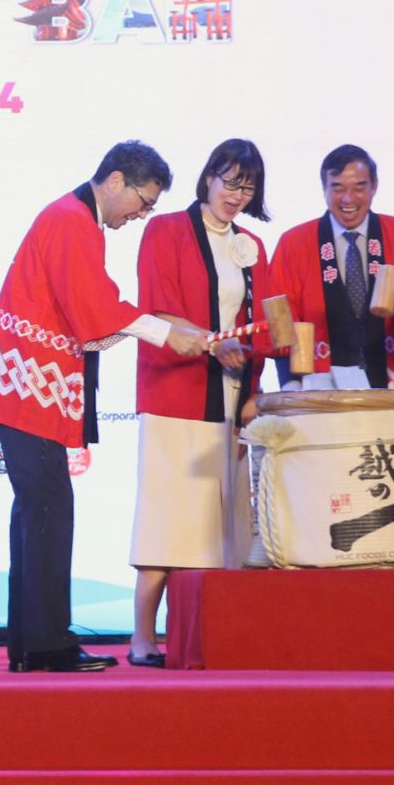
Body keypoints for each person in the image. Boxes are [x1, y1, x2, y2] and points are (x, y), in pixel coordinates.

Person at [0, 140, 205, 674]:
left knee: (37, 513)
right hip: (29, 385)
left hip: (28, 385)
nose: (142, 214)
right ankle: (47, 644)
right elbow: (95, 310)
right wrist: (167, 333)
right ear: (115, 180)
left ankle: (32, 642)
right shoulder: (72, 220)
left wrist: (168, 327)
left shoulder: (74, 219)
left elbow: (98, 308)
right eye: (143, 201)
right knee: (48, 511)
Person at [127, 139, 274, 667]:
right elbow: (157, 311)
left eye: (248, 185)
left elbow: (268, 324)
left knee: (223, 527)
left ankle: (203, 635)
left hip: (232, 401)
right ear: (208, 177)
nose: (237, 194)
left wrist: (261, 381)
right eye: (230, 181)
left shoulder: (251, 245)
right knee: (169, 521)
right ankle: (143, 635)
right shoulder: (164, 230)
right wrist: (216, 342)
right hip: (176, 396)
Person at [266, 145, 394, 389]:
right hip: (320, 392)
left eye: (359, 187)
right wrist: (291, 390)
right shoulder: (293, 243)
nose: (348, 198)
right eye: (337, 187)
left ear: (374, 186)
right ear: (323, 189)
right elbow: (280, 327)